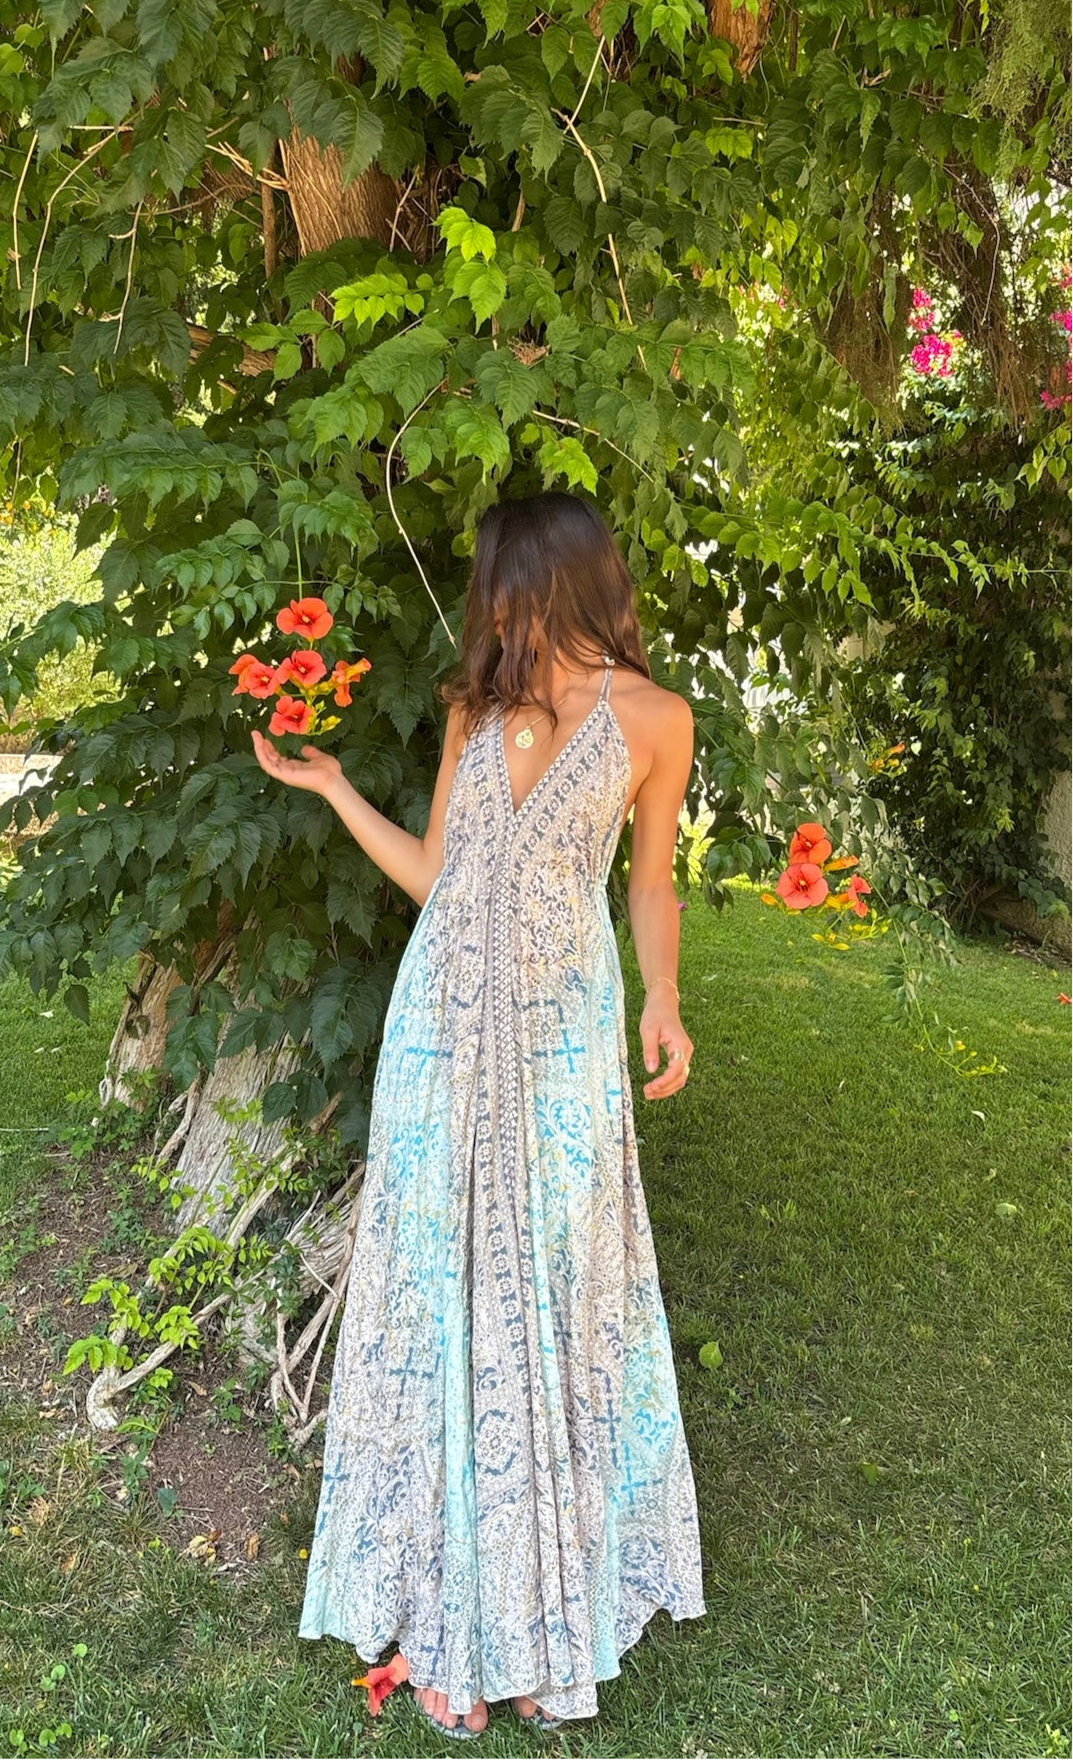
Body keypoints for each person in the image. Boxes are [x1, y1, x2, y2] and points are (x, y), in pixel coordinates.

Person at [250, 490, 705, 1738]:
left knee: (549, 1293)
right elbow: (437, 874)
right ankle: (447, 1608)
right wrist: (338, 790)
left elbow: (649, 883)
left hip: (561, 1039)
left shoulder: (655, 718)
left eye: (502, 583)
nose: (488, 609)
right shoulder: (476, 707)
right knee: (438, 1292)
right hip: (438, 1032)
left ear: (556, 578)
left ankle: (542, 1615)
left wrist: (662, 998)